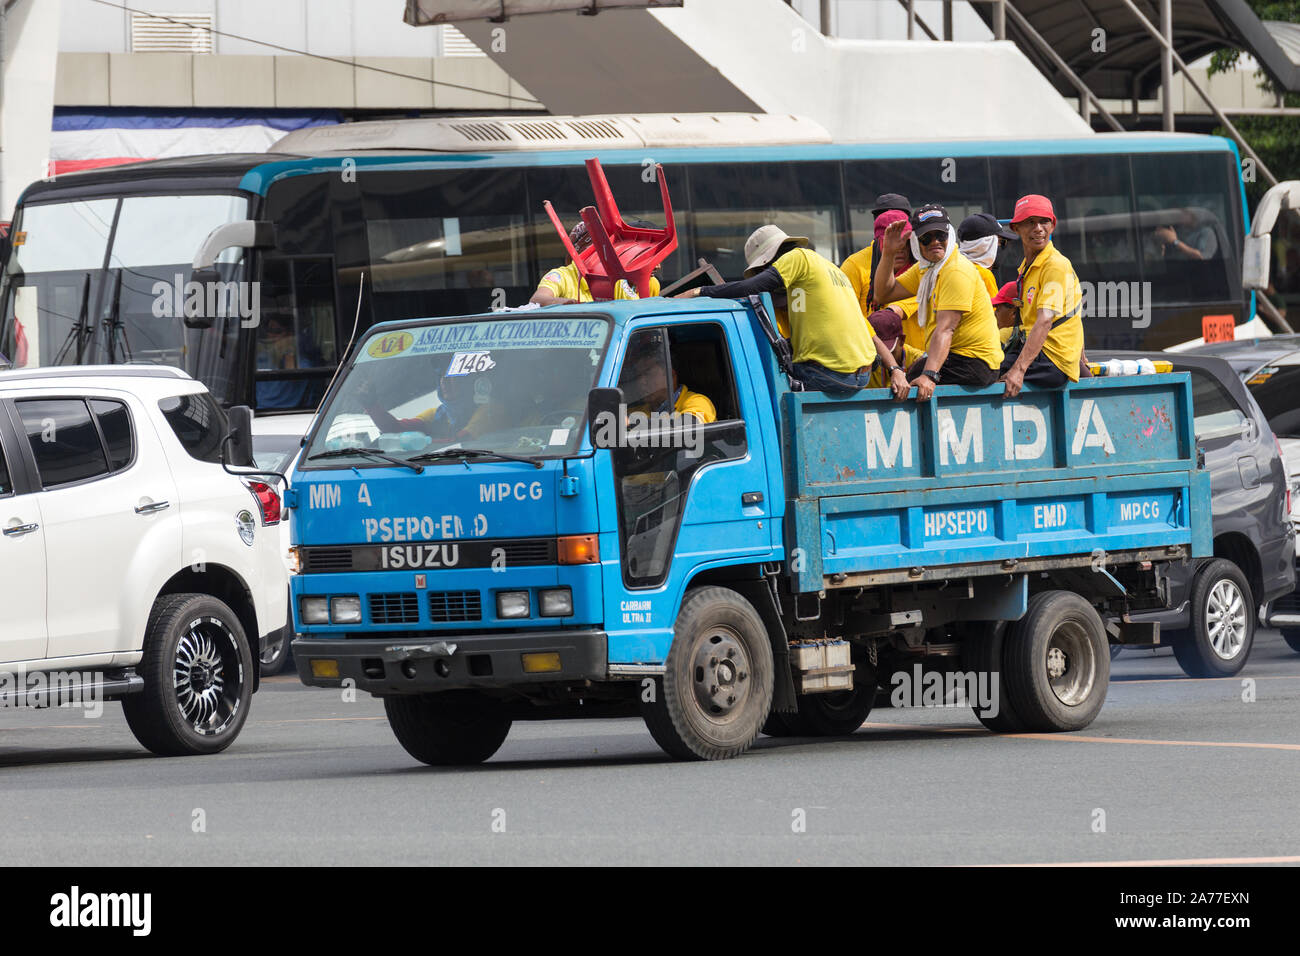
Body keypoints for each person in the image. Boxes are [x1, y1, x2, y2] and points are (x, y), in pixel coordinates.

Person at [677, 225, 877, 397]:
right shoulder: (828, 267)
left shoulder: (798, 257)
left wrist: (699, 291)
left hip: (830, 375)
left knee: (760, 376)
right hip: (862, 375)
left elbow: (751, 287)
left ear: (769, 261)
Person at [872, 203, 1004, 398]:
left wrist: (930, 376)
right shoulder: (927, 269)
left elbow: (946, 329)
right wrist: (889, 253)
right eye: (926, 238)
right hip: (958, 358)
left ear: (949, 235)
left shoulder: (955, 270)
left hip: (976, 362)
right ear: (916, 242)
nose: (935, 242)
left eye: (940, 235)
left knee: (912, 382)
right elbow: (882, 294)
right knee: (910, 378)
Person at [999, 194, 1084, 397]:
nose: (1038, 228)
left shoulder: (1054, 264)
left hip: (1051, 359)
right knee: (984, 363)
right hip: (1039, 354)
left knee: (984, 372)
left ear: (1052, 226)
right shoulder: (1029, 266)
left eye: (1044, 221)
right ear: (1015, 228)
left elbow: (1045, 320)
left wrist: (1018, 371)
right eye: (1030, 222)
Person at [530, 221, 662, 305]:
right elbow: (537, 300)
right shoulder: (562, 276)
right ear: (582, 250)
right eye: (599, 248)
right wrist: (570, 305)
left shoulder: (635, 281)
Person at [842, 209, 921, 348]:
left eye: (905, 241)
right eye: (892, 242)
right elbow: (847, 313)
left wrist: (894, 310)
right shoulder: (854, 266)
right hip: (871, 355)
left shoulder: (923, 270)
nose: (900, 247)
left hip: (918, 358)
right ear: (878, 243)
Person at [865, 306, 925, 398]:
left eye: (888, 351)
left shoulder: (920, 360)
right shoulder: (865, 361)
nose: (882, 357)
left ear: (901, 340)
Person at [957, 212, 1016, 298]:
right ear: (985, 245)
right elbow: (994, 310)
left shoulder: (955, 267)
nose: (1003, 247)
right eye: (1001, 242)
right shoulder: (984, 275)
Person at [1152, 208, 1219, 261]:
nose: (1177, 217)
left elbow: (1200, 257)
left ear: (1191, 214)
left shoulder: (1206, 232)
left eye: (1181, 213)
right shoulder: (1175, 231)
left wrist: (1175, 241)